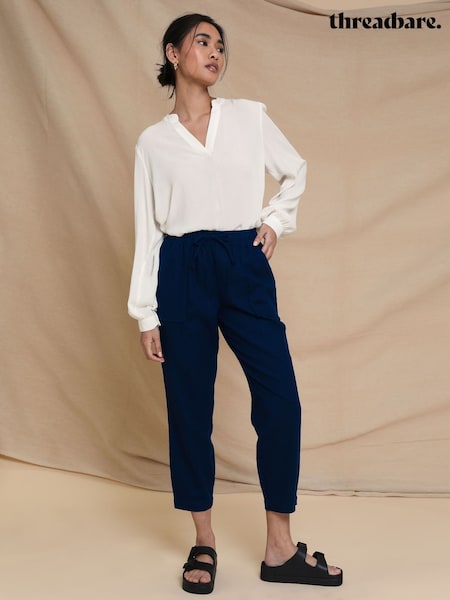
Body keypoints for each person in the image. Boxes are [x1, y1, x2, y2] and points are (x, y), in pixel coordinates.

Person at [128, 13, 342, 594]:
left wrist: (274, 220)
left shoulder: (249, 117)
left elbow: (294, 171)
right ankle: (204, 540)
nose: (215, 53)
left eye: (221, 46)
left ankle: (280, 548)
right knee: (189, 407)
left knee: (280, 400)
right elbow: (148, 230)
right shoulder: (152, 143)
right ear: (173, 53)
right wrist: (146, 312)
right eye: (203, 42)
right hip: (181, 269)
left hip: (242, 263)